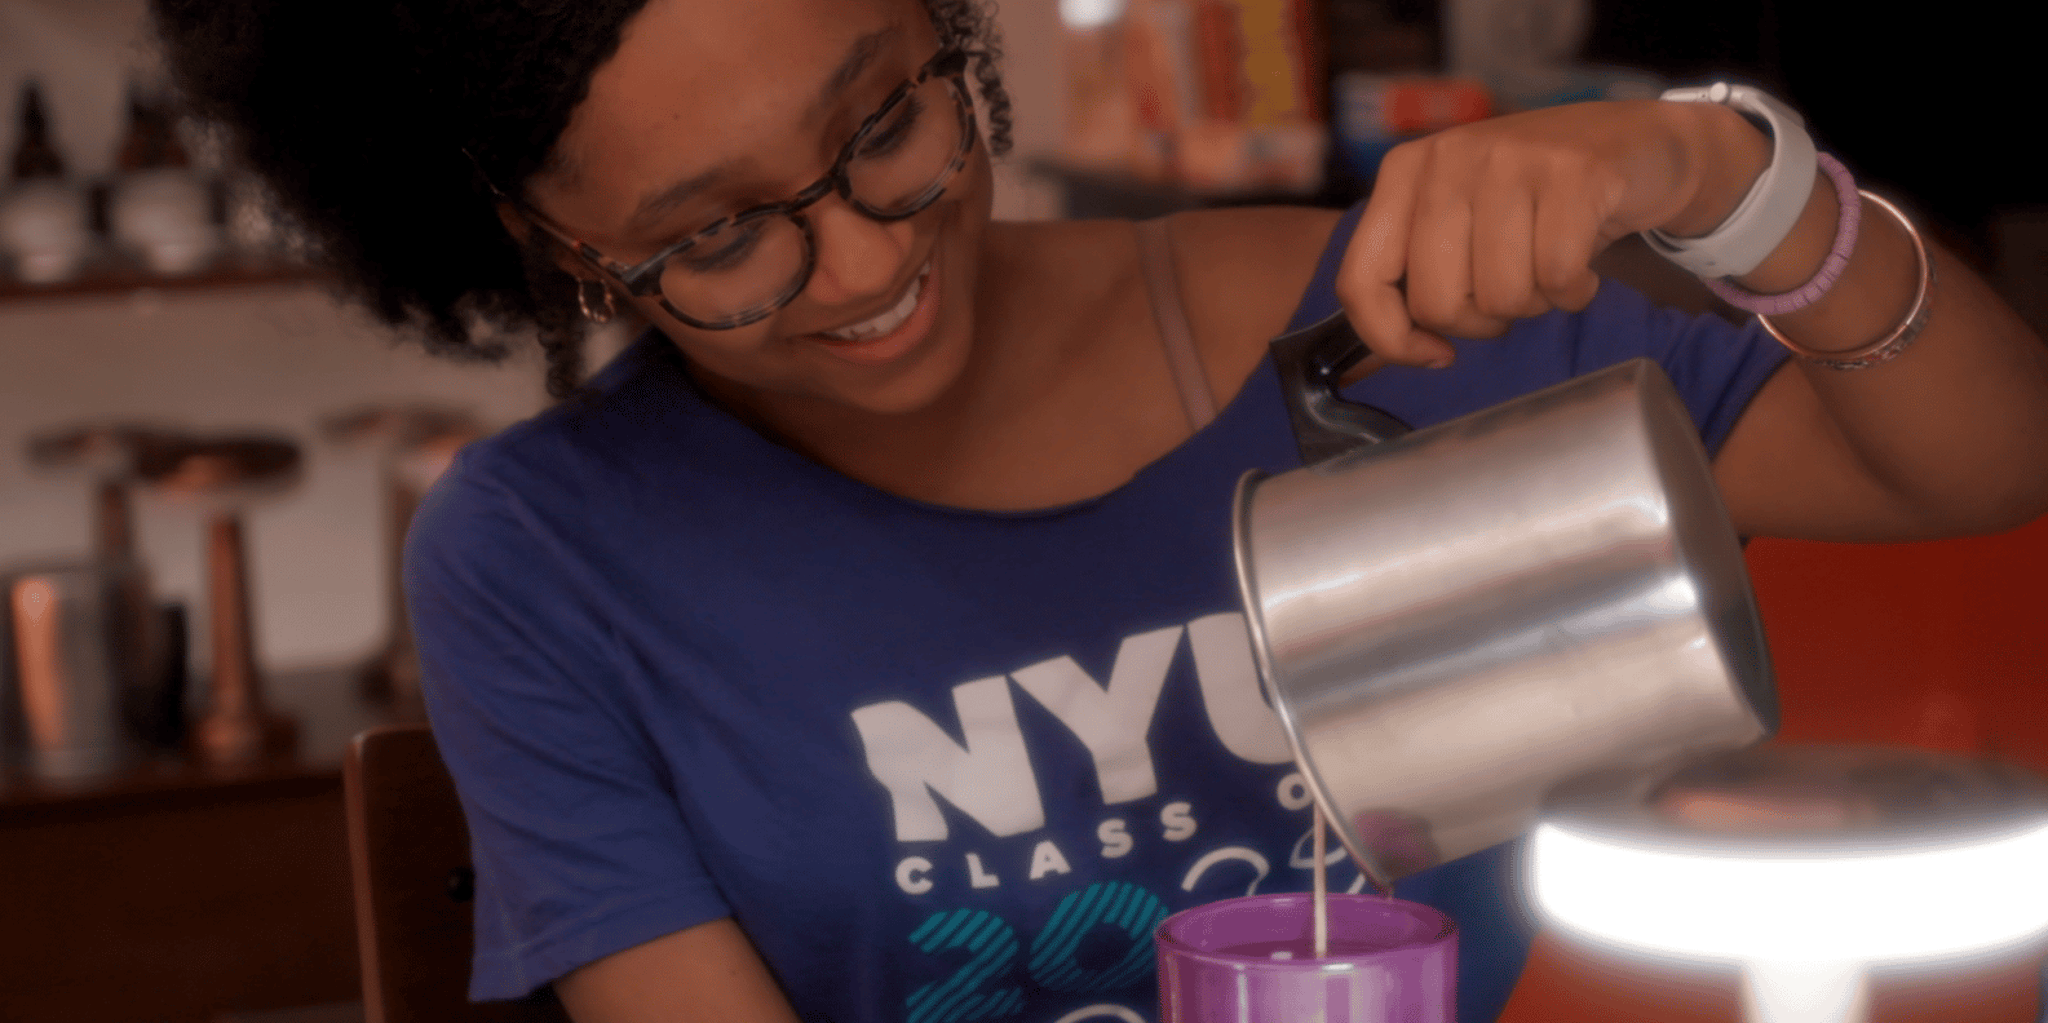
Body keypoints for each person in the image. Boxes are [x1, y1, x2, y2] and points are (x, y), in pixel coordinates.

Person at [150, 1, 2048, 1022]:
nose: (860, 266)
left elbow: (1982, 458)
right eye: (715, 235)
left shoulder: (1397, 312)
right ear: (535, 242)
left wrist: (1721, 172)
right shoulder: (551, 558)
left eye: (887, 122)